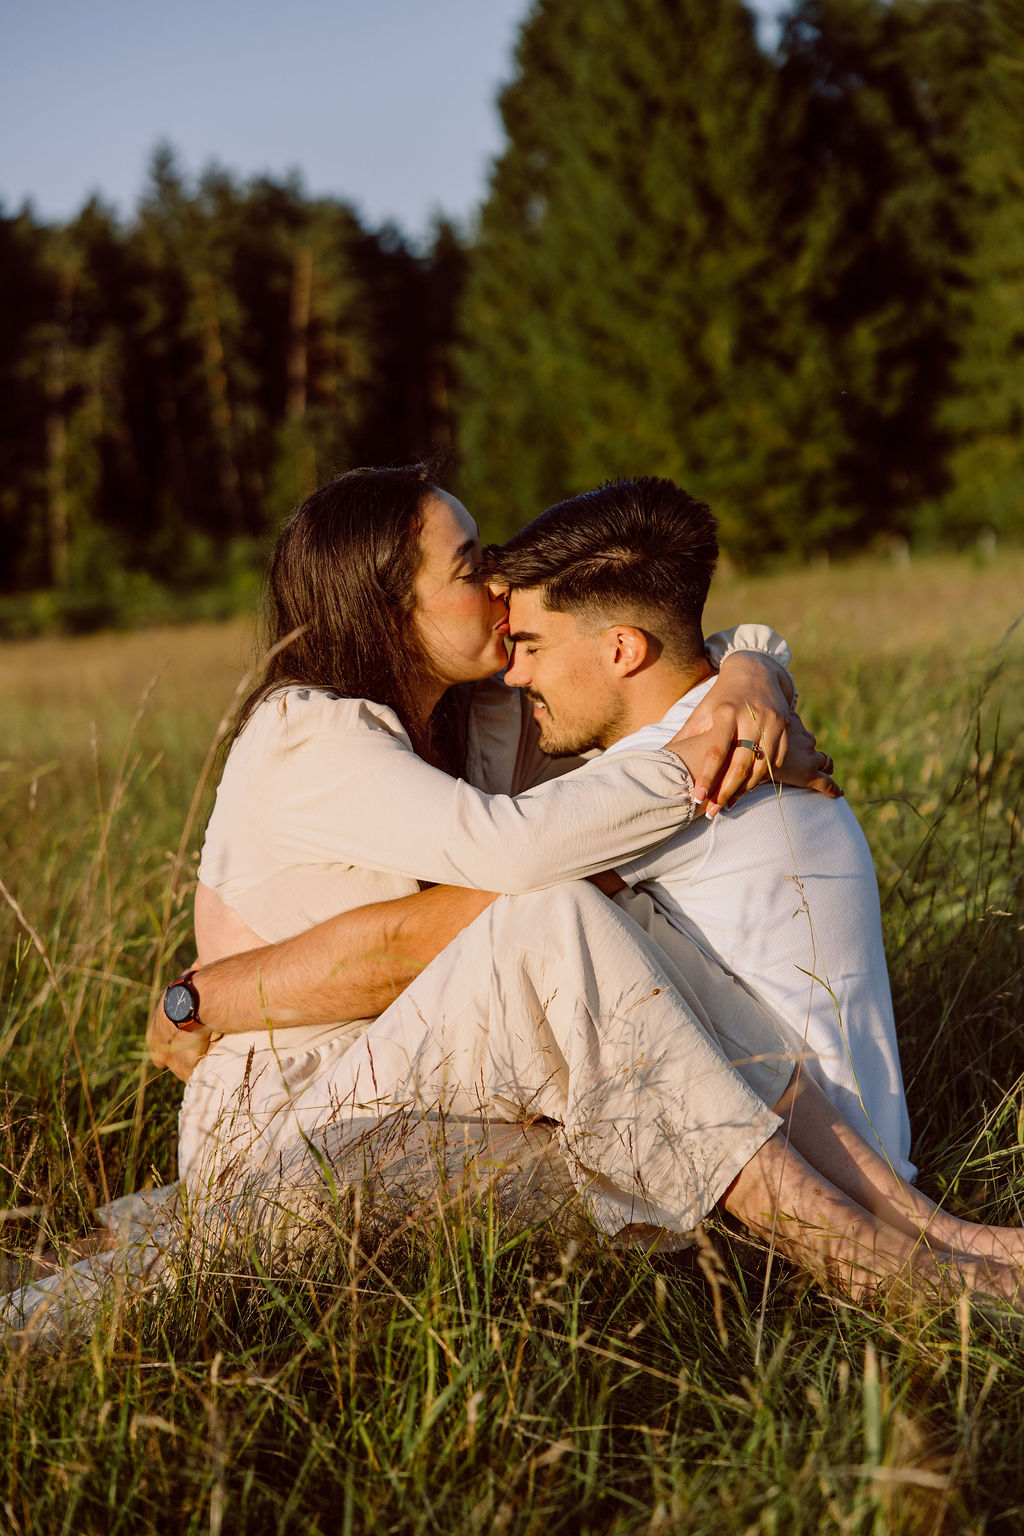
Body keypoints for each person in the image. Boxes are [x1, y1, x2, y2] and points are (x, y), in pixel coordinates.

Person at [147, 466, 1024, 1311]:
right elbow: (515, 850)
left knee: (648, 1117)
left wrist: (751, 680)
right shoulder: (307, 734)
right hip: (292, 1126)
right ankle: (869, 1260)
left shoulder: (483, 713)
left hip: (440, 1080)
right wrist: (701, 762)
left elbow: (652, 656)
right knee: (559, 916)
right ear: (388, 613)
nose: (499, 585)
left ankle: (915, 1226)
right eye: (468, 567)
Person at [493, 476, 913, 1178]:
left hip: (794, 1183)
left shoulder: (661, 775)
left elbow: (480, 929)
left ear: (623, 649)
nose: (512, 674)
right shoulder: (738, 725)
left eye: (531, 645)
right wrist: (754, 664)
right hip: (861, 1148)